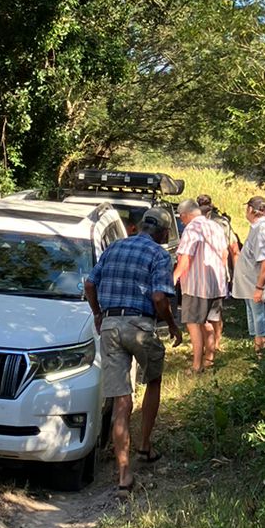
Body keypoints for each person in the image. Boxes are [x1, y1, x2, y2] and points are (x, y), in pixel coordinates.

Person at [84, 208, 182, 493]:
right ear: (163, 233)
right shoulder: (159, 254)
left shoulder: (114, 247)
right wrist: (171, 324)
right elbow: (159, 297)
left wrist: (98, 314)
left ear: (139, 226)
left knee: (121, 401)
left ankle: (124, 474)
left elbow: (90, 283)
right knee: (153, 378)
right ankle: (145, 445)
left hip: (111, 325)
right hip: (140, 325)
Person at [174, 197, 231, 374]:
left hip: (196, 286)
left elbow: (186, 257)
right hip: (216, 283)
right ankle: (209, 359)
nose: (181, 221)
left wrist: (174, 277)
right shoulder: (215, 226)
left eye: (181, 217)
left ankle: (196, 365)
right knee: (208, 321)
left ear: (185, 215)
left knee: (193, 323)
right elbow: (224, 253)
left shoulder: (192, 228)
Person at [231, 194, 265, 353]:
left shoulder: (262, 230)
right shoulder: (257, 228)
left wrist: (259, 288)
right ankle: (259, 356)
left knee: (264, 328)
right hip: (251, 287)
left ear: (250, 210)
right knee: (258, 328)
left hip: (258, 288)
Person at [196, 193, 240, 353]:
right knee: (216, 310)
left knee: (200, 311)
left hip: (200, 273)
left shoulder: (195, 223)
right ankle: (216, 343)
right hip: (220, 272)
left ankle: (203, 344)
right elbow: (234, 249)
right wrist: (235, 276)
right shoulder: (223, 223)